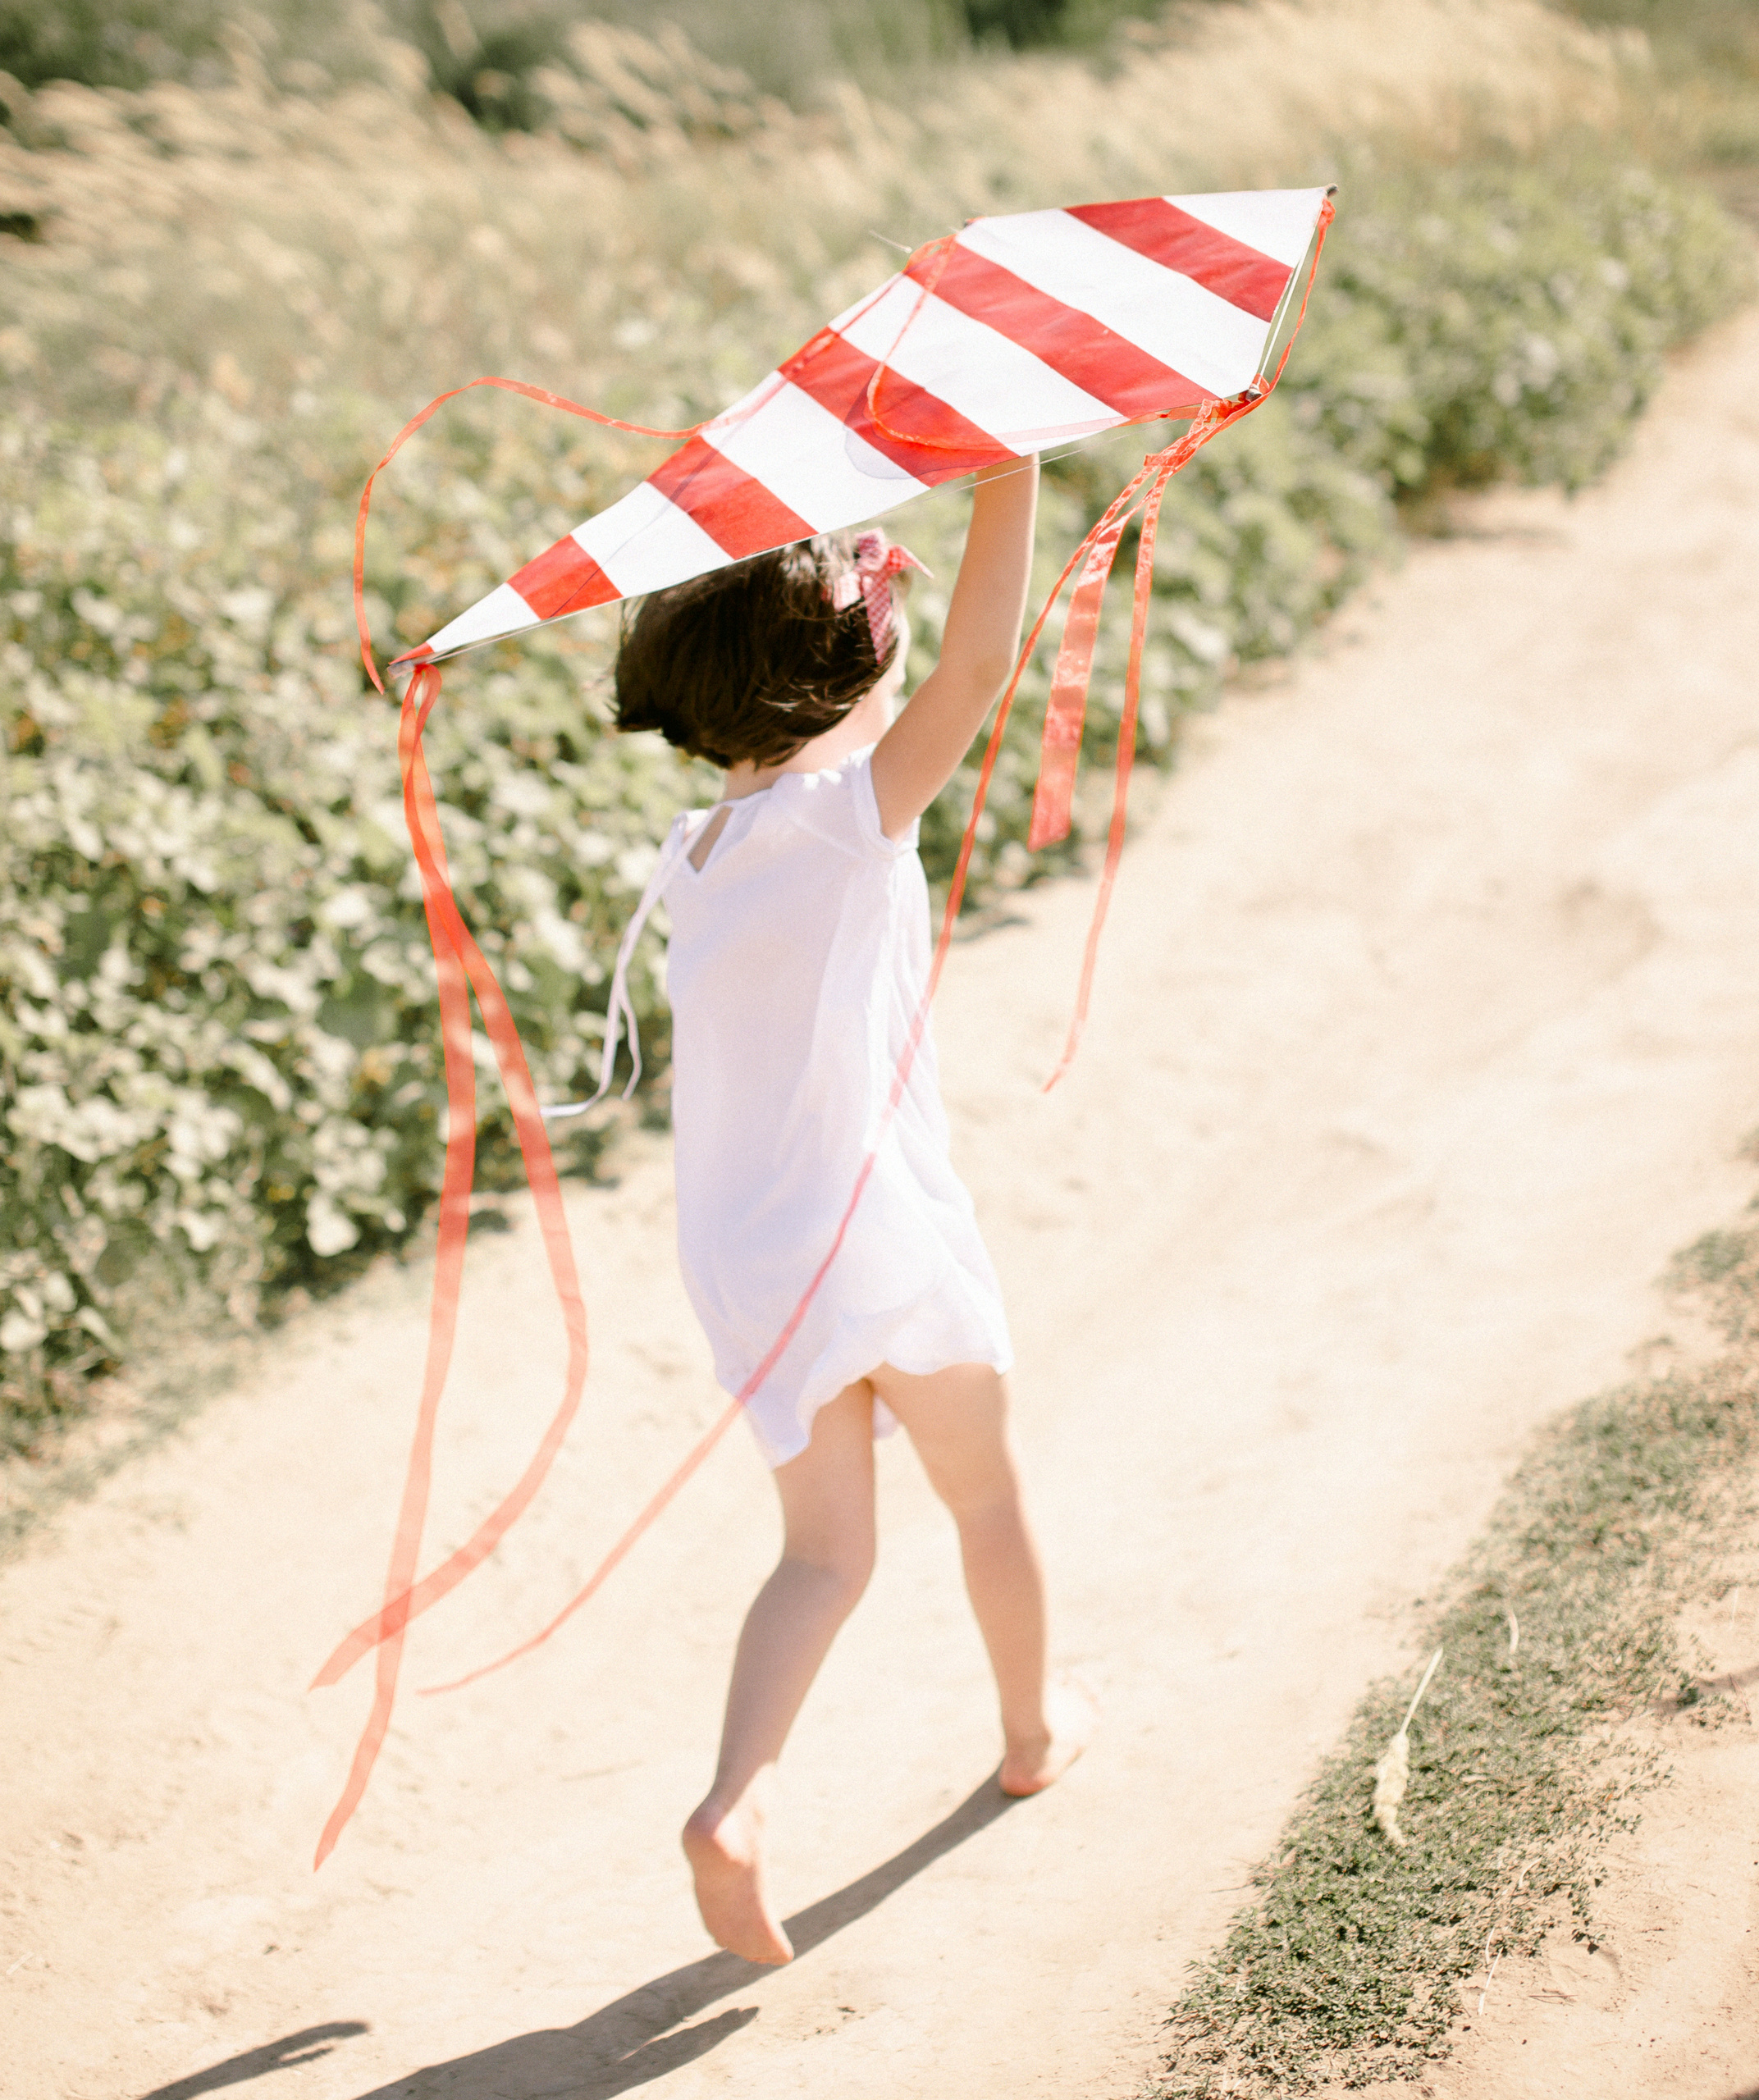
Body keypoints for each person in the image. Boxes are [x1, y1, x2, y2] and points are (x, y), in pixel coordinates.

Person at [606, 458, 1094, 1966]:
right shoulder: (855, 813)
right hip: (878, 1238)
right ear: (834, 696)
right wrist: (1008, 466)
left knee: (821, 1558)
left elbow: (920, 674)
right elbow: (984, 661)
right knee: (986, 1496)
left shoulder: (695, 855)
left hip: (749, 1268)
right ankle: (1030, 1730)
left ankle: (734, 1803)